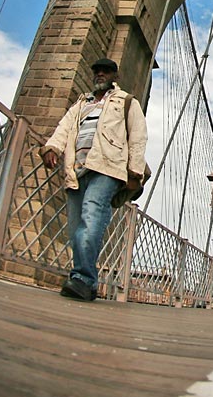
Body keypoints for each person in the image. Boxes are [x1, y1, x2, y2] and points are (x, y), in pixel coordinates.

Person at [41, 57, 148, 302]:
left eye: (106, 71)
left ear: (115, 76)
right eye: (97, 71)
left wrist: (135, 172)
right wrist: (52, 148)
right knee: (76, 228)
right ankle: (86, 282)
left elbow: (138, 137)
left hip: (107, 168)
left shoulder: (126, 102)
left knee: (91, 218)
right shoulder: (80, 104)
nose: (100, 74)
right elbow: (64, 128)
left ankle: (83, 279)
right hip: (76, 169)